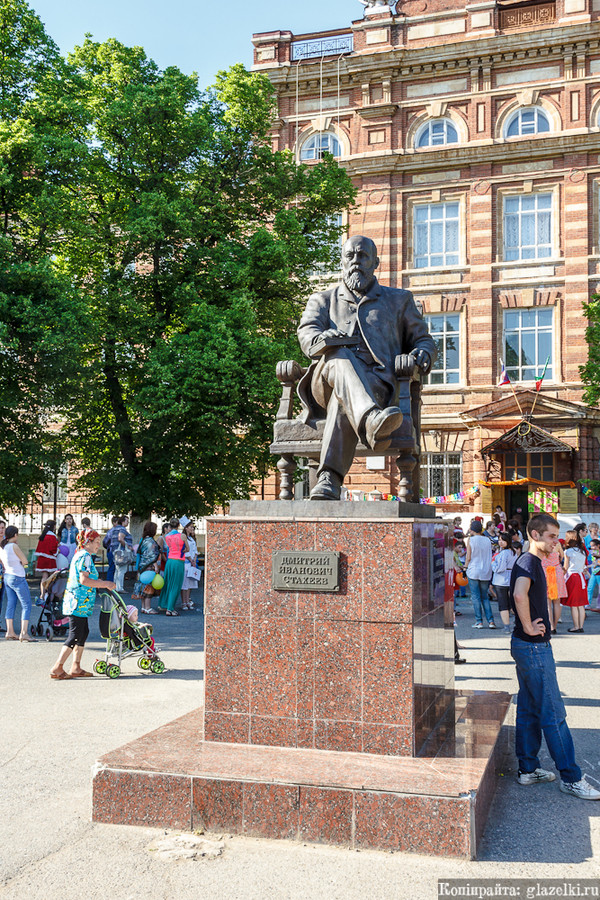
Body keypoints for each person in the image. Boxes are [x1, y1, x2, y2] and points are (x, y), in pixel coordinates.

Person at [296, 235, 437, 500]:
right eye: (350, 256)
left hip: (378, 385)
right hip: (323, 385)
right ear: (342, 261)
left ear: (375, 263)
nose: (355, 262)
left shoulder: (399, 300)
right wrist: (326, 339)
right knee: (339, 357)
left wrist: (419, 355)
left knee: (345, 396)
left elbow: (425, 341)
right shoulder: (322, 300)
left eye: (362, 256)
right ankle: (371, 420)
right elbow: (307, 335)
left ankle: (329, 480)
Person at [509, 512, 600, 799]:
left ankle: (527, 769)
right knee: (553, 713)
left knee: (529, 709)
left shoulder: (532, 561)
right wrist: (528, 624)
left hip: (527, 646)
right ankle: (571, 777)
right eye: (550, 536)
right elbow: (519, 595)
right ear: (535, 535)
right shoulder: (529, 561)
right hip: (533, 648)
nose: (555, 542)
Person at [50, 529, 115, 679]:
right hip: (78, 602)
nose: (99, 545)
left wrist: (100, 583)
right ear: (88, 542)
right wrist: (104, 584)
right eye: (97, 542)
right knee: (74, 634)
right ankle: (57, 667)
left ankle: (76, 667)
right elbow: (84, 580)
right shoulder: (85, 556)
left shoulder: (80, 554)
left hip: (79, 602)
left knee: (83, 632)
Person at [0, 526, 36, 642]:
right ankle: (24, 633)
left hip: (8, 577)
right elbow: (25, 561)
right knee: (26, 605)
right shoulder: (14, 546)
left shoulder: (4, 547)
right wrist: (20, 562)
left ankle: (10, 631)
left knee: (11, 604)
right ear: (15, 535)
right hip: (18, 577)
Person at [465, 520, 495, 628]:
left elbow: (468, 557)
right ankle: (491, 621)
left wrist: (465, 567)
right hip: (486, 570)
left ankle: (479, 621)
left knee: (475, 597)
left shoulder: (471, 540)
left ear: (472, 529)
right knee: (485, 597)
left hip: (473, 570)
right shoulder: (487, 540)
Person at [158, 518, 189, 616]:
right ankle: (170, 609)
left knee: (168, 583)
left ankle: (164, 605)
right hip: (178, 561)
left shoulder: (167, 536)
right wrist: (182, 551)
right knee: (176, 585)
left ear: (170, 526)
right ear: (179, 525)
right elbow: (187, 549)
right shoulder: (183, 536)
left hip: (169, 561)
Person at [132, 522, 161, 613]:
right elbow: (152, 556)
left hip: (142, 566)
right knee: (149, 587)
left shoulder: (143, 540)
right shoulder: (151, 541)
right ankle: (148, 608)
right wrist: (156, 566)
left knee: (143, 586)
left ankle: (144, 607)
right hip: (149, 567)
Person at [563, 529, 588, 633]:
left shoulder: (568, 551)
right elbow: (583, 567)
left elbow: (565, 567)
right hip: (581, 577)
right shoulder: (582, 551)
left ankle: (576, 626)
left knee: (574, 604)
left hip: (572, 577)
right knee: (581, 604)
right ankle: (580, 626)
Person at [491, 532, 516, 634]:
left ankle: (506, 626)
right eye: (499, 540)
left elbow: (499, 568)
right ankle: (515, 623)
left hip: (501, 581)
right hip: (511, 579)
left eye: (503, 540)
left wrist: (492, 564)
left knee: (503, 604)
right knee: (512, 603)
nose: (500, 542)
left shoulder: (504, 553)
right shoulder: (513, 552)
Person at [541, 539, 567, 633]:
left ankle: (550, 626)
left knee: (547, 602)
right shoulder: (558, 544)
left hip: (545, 572)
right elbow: (562, 556)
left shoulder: (542, 544)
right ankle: (554, 626)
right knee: (557, 602)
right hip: (556, 571)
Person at [181, 521, 199, 610]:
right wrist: (191, 560)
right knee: (184, 584)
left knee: (190, 584)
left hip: (192, 563)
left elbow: (195, 550)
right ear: (186, 528)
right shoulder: (184, 538)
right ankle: (183, 602)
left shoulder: (191, 539)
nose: (192, 529)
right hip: (186, 563)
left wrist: (194, 559)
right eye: (191, 527)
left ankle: (188, 601)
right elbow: (184, 550)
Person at [103, 516, 120, 582]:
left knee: (112, 568)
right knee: (113, 568)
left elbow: (105, 542)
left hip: (111, 551)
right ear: (113, 523)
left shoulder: (111, 531)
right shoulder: (112, 531)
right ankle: (110, 583)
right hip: (113, 551)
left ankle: (110, 583)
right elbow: (105, 542)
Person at [587, 538, 600, 611]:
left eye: (593, 546)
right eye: (591, 546)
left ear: (598, 545)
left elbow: (597, 563)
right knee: (589, 588)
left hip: (599, 573)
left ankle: (598, 606)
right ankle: (587, 604)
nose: (592, 548)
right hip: (594, 573)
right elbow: (594, 563)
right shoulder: (593, 553)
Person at [0, 519, 6, 632]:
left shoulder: (7, 542)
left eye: (3, 528)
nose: (1, 530)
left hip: (4, 574)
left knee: (1, 599)